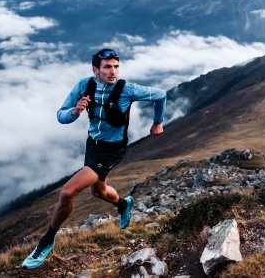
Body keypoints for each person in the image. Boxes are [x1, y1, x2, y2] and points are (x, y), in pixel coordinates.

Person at [22, 48, 166, 270]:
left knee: (67, 192)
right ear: (95, 70)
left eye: (116, 66)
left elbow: (160, 95)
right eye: (107, 67)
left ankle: (46, 241)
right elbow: (61, 115)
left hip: (112, 149)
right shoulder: (85, 85)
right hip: (92, 145)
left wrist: (157, 122)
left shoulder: (127, 89)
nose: (113, 71)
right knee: (97, 191)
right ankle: (124, 204)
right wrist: (75, 111)